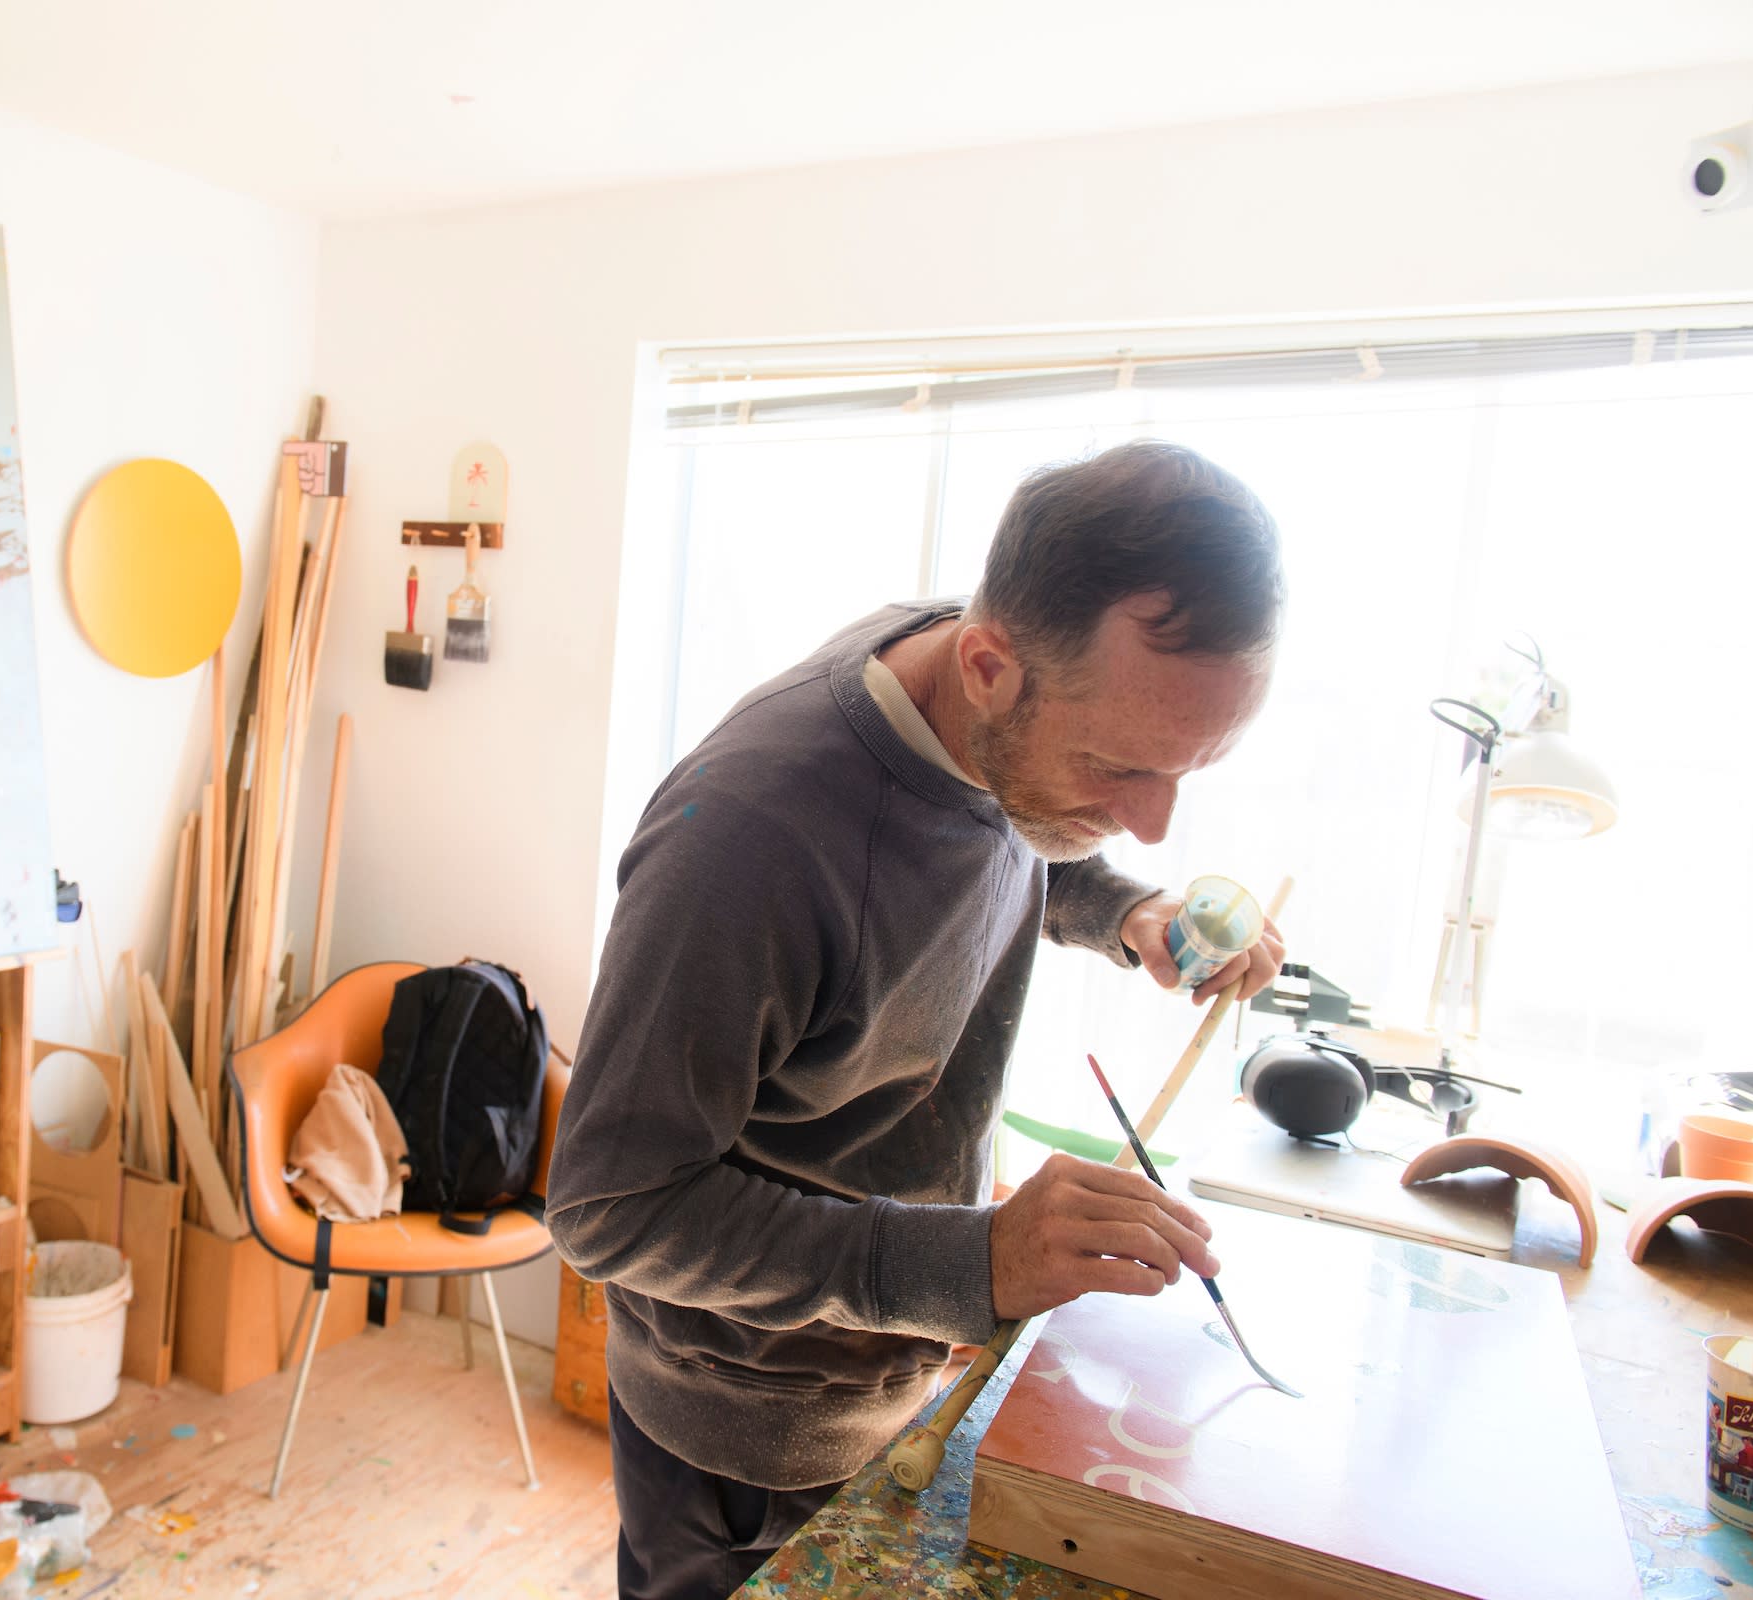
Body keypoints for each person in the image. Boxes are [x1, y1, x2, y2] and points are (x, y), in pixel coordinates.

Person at [547, 440, 1289, 1600]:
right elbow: (609, 1204)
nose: (1150, 821)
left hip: (899, 1372)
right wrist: (972, 1258)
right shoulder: (746, 840)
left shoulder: (989, 676)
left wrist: (1126, 909)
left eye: (1186, 774)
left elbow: (987, 831)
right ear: (990, 666)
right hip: (740, 1436)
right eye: (1120, 768)